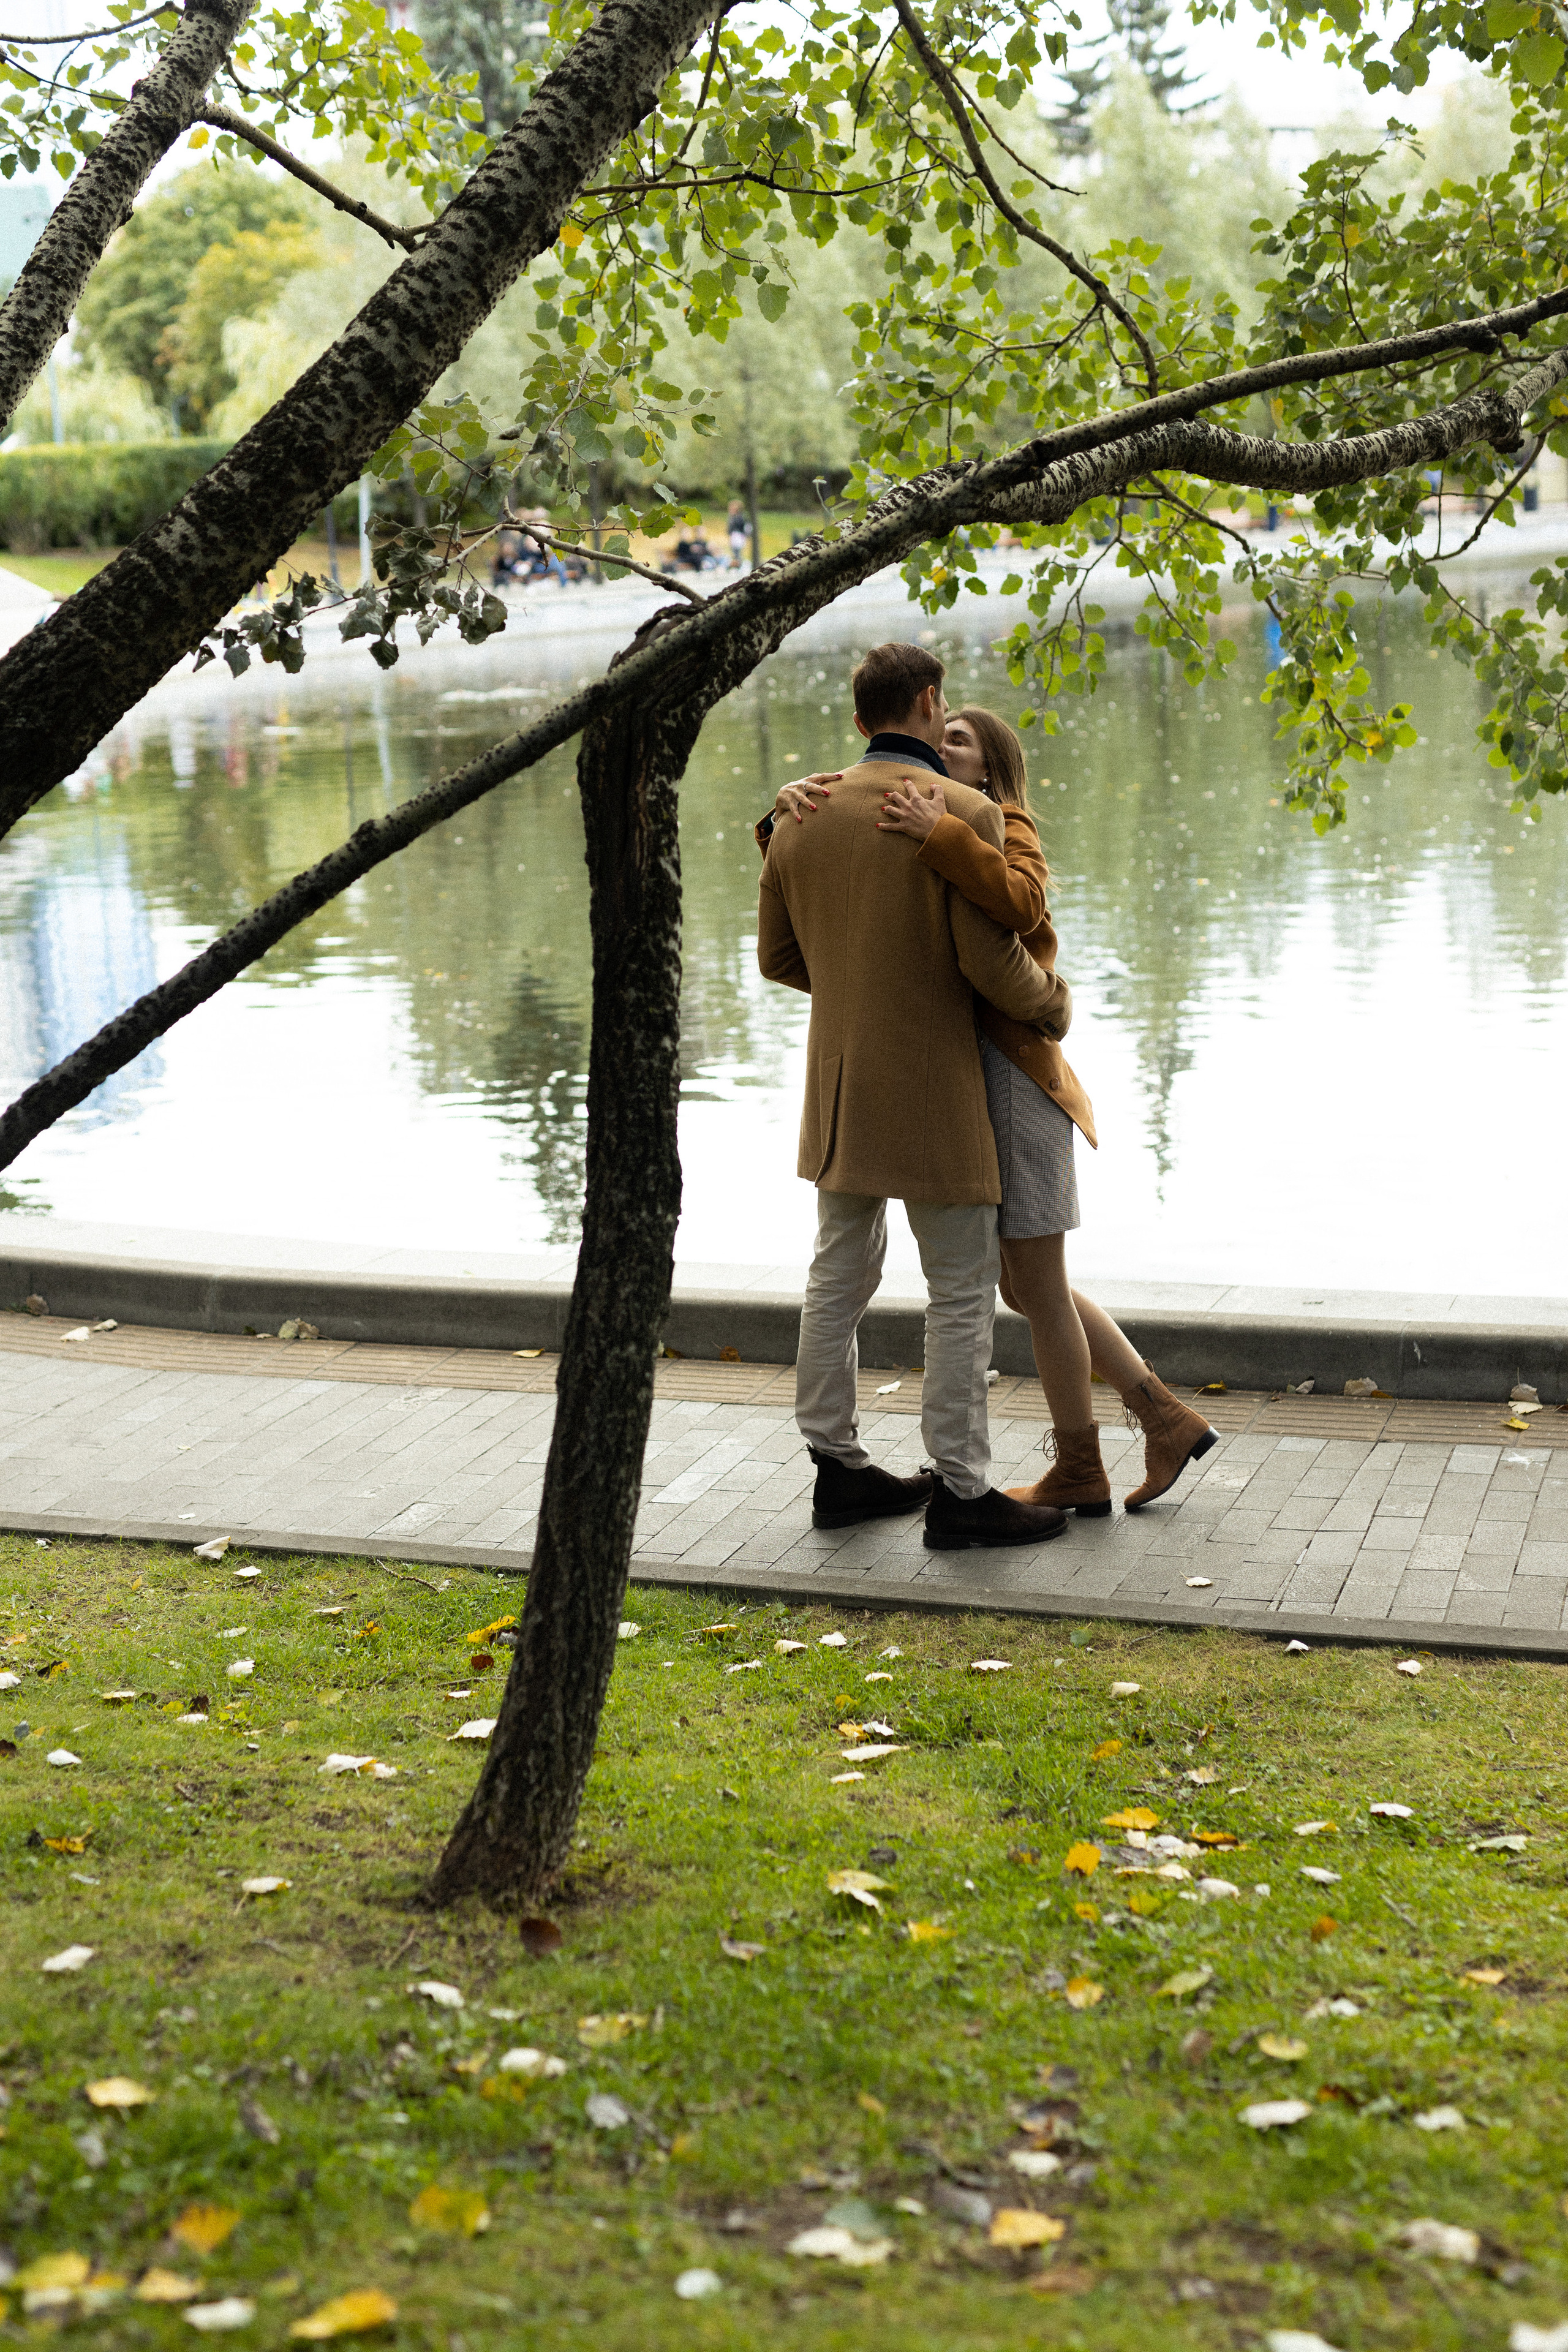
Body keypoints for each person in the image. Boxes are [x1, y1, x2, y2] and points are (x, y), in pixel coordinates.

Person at [769, 706, 1217, 1515]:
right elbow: (854, 921)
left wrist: (1052, 1002)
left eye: (959, 743)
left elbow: (1022, 908)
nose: (939, 750)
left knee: (1033, 1283)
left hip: (1014, 1079)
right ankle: (1159, 1417)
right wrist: (784, 823)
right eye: (939, 737)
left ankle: (1100, 1455)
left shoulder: (999, 825)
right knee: (1026, 1282)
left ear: (992, 768)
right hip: (968, 1083)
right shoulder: (921, 818)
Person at [757, 642, 1073, 1552]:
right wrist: (1051, 1008)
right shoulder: (963, 810)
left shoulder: (799, 814)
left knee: (838, 1274)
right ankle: (964, 1491)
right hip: (937, 1084)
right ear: (930, 704)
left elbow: (781, 960)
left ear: (860, 721)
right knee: (961, 1292)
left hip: (842, 1087)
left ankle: (836, 1468)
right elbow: (990, 955)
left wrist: (859, 978)